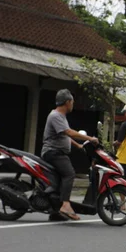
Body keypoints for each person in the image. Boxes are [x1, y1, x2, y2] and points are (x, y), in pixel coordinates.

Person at [41, 89, 98, 220]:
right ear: (67, 102)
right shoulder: (56, 116)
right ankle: (65, 205)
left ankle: (54, 211)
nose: (73, 104)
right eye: (72, 102)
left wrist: (78, 146)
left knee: (58, 181)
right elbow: (69, 132)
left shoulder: (60, 116)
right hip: (53, 152)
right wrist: (90, 139)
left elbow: (64, 134)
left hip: (55, 152)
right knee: (69, 174)